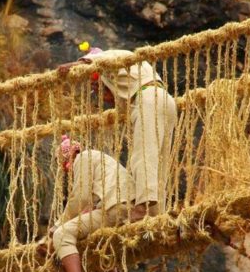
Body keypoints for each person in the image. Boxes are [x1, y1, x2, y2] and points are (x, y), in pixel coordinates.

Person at [58, 43, 178, 221]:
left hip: (149, 100)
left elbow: (97, 60)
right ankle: (155, 215)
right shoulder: (128, 77)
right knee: (159, 161)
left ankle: (143, 207)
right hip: (165, 102)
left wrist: (73, 66)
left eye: (96, 84)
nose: (98, 90)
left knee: (143, 156)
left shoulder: (114, 56)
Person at [50, 135, 134, 272]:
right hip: (125, 208)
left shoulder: (83, 158)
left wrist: (57, 225)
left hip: (116, 208)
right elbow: (90, 203)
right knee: (98, 245)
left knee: (62, 235)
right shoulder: (99, 160)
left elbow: (80, 197)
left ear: (67, 158)